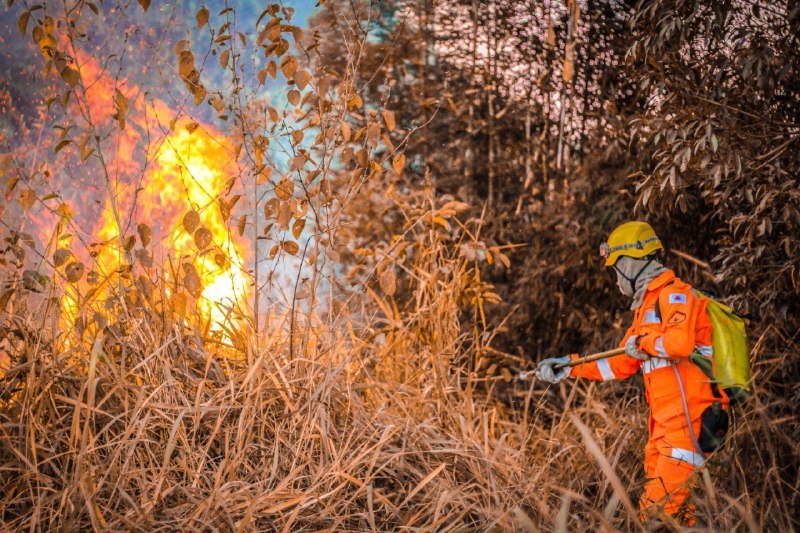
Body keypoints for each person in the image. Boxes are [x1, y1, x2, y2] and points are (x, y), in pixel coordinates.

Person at [535, 221, 727, 525]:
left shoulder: (677, 296)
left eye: (615, 269)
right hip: (663, 428)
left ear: (630, 263)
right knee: (680, 518)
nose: (615, 280)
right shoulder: (645, 309)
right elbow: (618, 364)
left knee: (655, 514)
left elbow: (679, 343)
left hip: (691, 424)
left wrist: (644, 342)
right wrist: (568, 366)